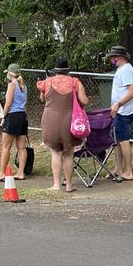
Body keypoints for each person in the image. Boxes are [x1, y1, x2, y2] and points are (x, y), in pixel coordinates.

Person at [36, 58, 89, 192]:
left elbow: (42, 99)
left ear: (56, 71)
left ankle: (56, 184)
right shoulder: (75, 82)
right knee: (69, 153)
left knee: (55, 152)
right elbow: (84, 101)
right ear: (67, 70)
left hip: (50, 120)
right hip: (69, 120)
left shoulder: (47, 82)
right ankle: (69, 185)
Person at [106, 46, 133, 181]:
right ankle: (118, 169)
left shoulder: (126, 70)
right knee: (117, 141)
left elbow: (132, 91)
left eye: (114, 57)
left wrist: (118, 104)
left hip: (124, 112)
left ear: (121, 57)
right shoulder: (121, 69)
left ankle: (128, 171)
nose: (112, 60)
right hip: (118, 111)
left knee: (124, 141)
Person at [0, 64, 29, 182]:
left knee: (5, 147)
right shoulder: (23, 85)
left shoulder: (11, 85)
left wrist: (4, 116)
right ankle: (21, 172)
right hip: (22, 115)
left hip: (12, 116)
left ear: (10, 73)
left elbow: (8, 103)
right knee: (21, 147)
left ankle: (2, 173)